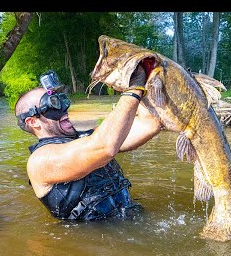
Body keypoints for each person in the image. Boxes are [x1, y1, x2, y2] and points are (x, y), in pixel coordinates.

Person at [14, 66, 162, 221]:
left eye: (63, 100)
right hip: (100, 239)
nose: (64, 108)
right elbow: (105, 147)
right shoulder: (40, 161)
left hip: (133, 220)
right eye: (53, 103)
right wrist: (133, 89)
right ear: (33, 122)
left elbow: (149, 124)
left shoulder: (90, 138)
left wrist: (147, 80)